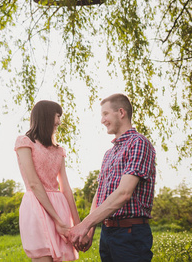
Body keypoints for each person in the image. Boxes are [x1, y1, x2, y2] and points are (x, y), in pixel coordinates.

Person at [69, 93, 156, 261]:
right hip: (107, 234)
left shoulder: (138, 143)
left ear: (121, 113)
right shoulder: (109, 153)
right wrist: (90, 230)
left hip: (130, 234)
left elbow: (124, 193)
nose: (102, 120)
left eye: (105, 114)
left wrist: (84, 224)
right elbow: (99, 193)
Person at [15, 100, 80, 262]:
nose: (59, 121)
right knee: (42, 257)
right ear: (46, 116)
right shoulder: (24, 142)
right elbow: (34, 183)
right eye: (57, 116)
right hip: (37, 205)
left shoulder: (59, 150)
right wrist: (58, 220)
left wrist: (78, 226)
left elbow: (66, 188)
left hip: (60, 205)